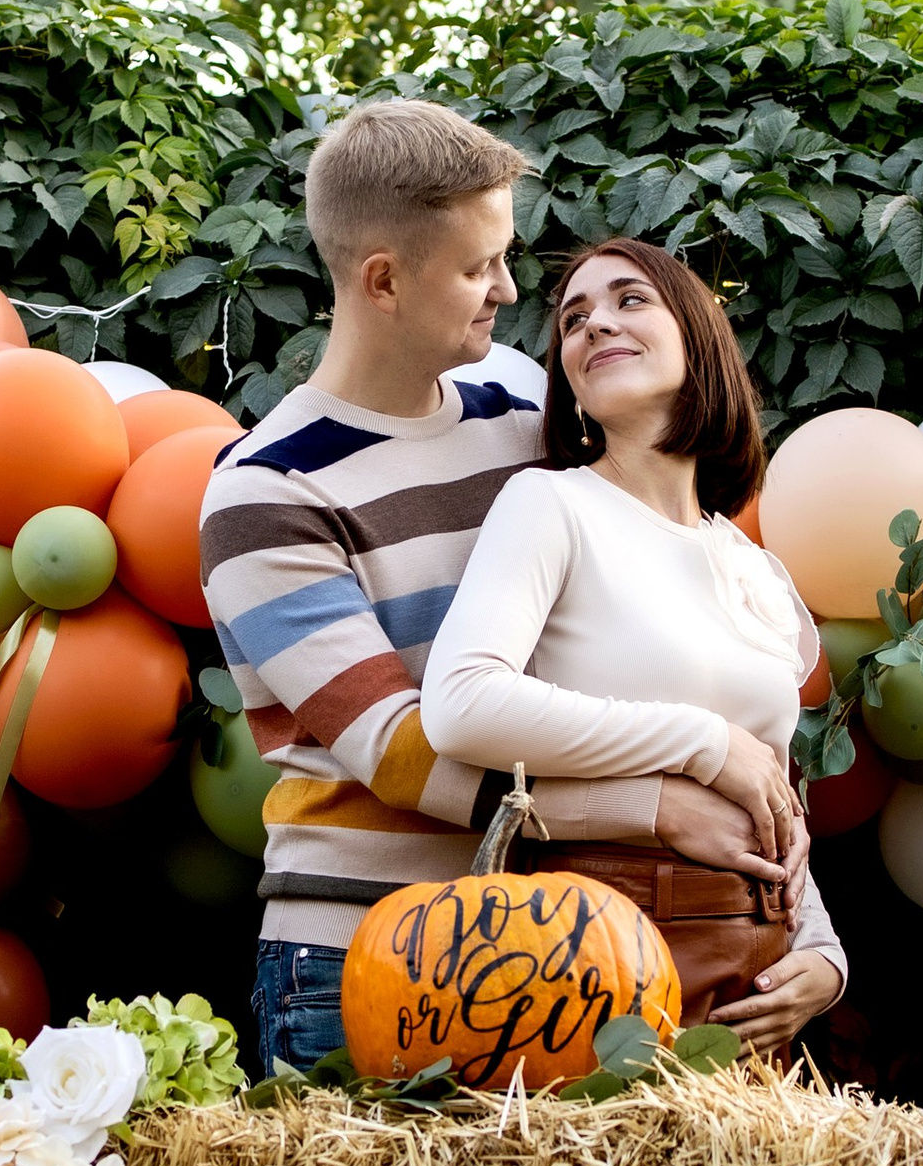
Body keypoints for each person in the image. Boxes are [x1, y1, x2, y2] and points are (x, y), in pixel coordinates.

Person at [198, 104, 806, 1077]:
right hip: (355, 947)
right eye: (478, 266)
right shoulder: (264, 492)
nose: (507, 289)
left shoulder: (521, 402)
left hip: (540, 945)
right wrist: (651, 804)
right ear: (383, 280)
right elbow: (401, 751)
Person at [418, 236, 847, 1052]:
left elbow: (768, 794)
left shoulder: (754, 566)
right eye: (573, 319)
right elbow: (462, 704)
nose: (594, 325)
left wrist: (822, 957)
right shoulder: (550, 505)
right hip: (596, 944)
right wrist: (701, 742)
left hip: (756, 974)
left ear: (697, 340)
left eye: (629, 300)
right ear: (572, 386)